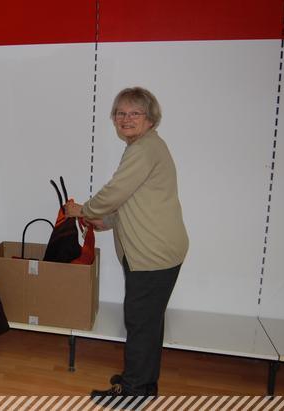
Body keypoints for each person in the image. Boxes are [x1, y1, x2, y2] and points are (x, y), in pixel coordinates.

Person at [65, 87, 188, 398]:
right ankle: (143, 382)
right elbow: (131, 199)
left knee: (140, 322)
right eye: (120, 113)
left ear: (150, 118)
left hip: (152, 253)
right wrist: (105, 221)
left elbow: (115, 191)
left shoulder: (143, 149)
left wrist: (85, 210)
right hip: (158, 250)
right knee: (148, 322)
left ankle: (133, 391)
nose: (126, 119)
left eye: (135, 113)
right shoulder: (145, 146)